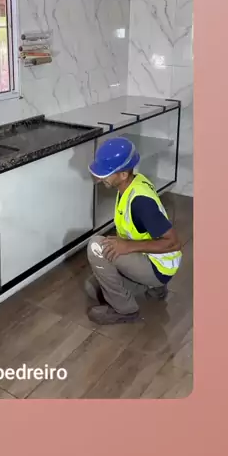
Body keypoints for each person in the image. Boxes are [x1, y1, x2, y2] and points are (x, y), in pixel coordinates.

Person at [86, 136, 182, 325]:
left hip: (158, 267)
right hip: (153, 260)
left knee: (95, 247)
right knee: (93, 288)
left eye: (106, 173)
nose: (100, 178)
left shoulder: (140, 202)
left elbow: (174, 243)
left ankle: (125, 310)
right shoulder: (131, 185)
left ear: (123, 174)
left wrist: (128, 246)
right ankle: (154, 288)